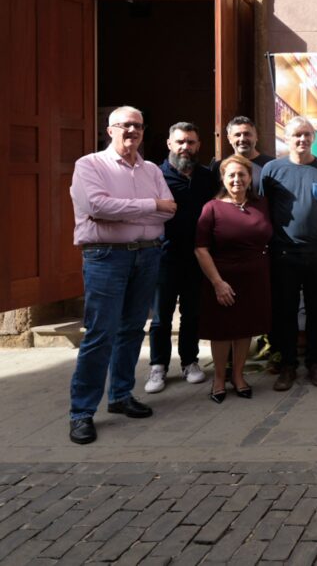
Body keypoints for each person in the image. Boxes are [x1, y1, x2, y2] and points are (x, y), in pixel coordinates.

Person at [68, 106, 176, 444]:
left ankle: (120, 396)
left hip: (147, 254)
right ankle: (82, 413)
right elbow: (97, 208)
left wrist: (130, 210)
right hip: (106, 258)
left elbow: (169, 210)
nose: (132, 131)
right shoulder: (90, 165)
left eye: (138, 126)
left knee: (131, 330)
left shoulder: (151, 170)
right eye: (125, 125)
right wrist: (149, 206)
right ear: (110, 129)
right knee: (100, 334)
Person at [260, 116, 317, 391]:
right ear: (287, 139)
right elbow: (261, 210)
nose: (301, 140)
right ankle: (288, 365)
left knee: (316, 310)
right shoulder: (271, 170)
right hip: (283, 254)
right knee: (286, 311)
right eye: (296, 135)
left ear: (313, 137)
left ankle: (315, 363)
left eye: (306, 135)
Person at [144, 122, 217, 394]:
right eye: (180, 142)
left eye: (191, 142)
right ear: (169, 144)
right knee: (161, 316)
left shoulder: (207, 177)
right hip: (164, 257)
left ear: (198, 145)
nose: (185, 147)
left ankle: (190, 362)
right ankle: (158, 366)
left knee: (192, 313)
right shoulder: (154, 176)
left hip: (197, 257)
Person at [194, 155, 272, 402]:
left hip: (255, 277)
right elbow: (201, 248)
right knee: (222, 331)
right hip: (222, 279)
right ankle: (219, 379)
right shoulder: (212, 208)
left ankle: (238, 376)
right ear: (223, 179)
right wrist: (218, 283)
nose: (237, 179)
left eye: (242, 175)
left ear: (250, 178)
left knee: (244, 329)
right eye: (231, 175)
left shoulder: (261, 204)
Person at [211, 115, 274, 184]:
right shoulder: (219, 167)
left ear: (256, 137)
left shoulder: (272, 165)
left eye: (247, 134)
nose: (242, 139)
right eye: (237, 135)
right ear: (229, 139)